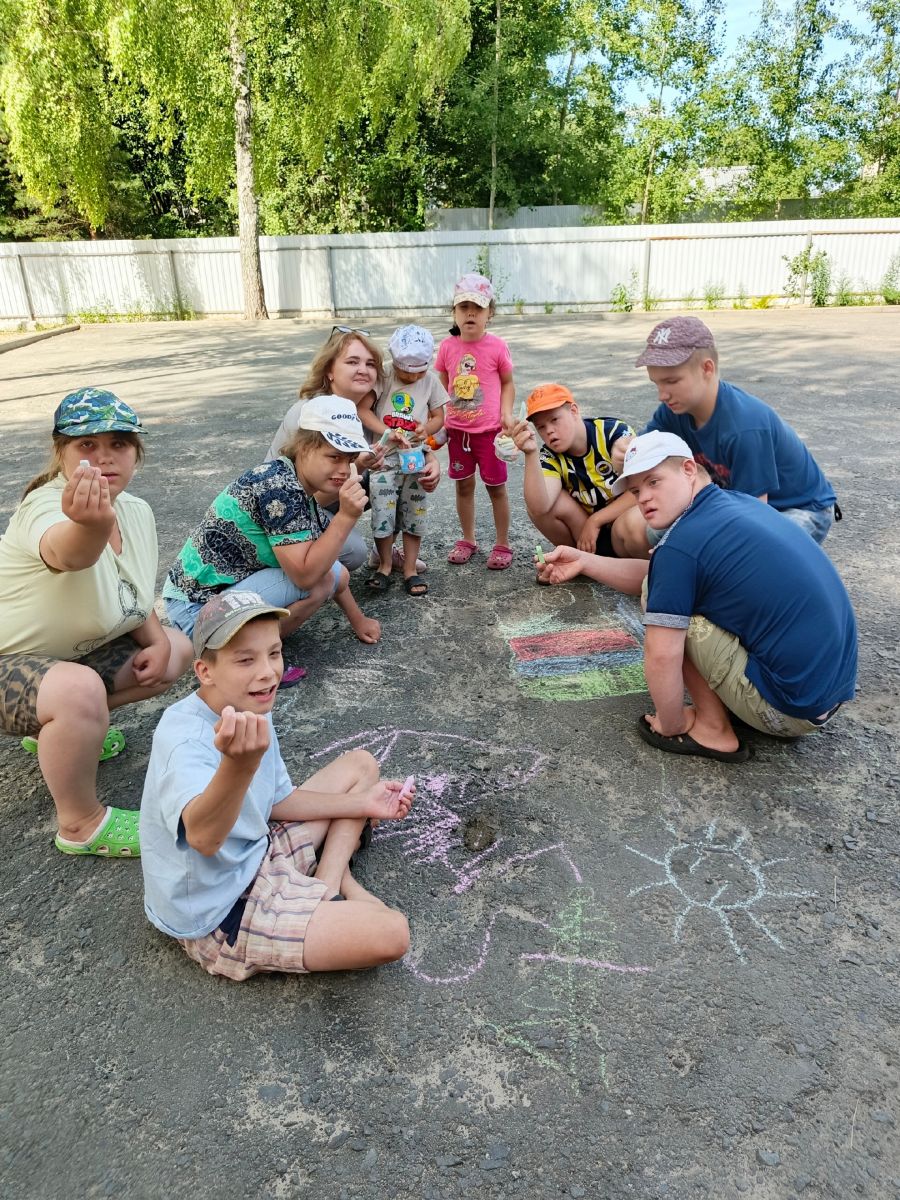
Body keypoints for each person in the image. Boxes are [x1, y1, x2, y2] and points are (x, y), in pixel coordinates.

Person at [140, 591, 412, 980]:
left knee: (362, 765)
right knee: (391, 932)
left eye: (274, 652)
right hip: (220, 909)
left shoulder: (249, 703)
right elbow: (203, 837)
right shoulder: (183, 739)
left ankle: (328, 882)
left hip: (257, 850)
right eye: (245, 660)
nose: (268, 672)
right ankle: (336, 885)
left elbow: (277, 801)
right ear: (205, 671)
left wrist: (364, 804)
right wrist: (239, 766)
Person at [539, 432, 857, 762]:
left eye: (654, 482)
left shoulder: (681, 545)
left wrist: (671, 722)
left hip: (788, 711)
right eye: (636, 491)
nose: (644, 498)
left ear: (689, 470)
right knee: (666, 588)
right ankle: (736, 706)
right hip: (825, 694)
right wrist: (585, 561)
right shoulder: (734, 502)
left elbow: (661, 652)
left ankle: (712, 729)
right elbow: (660, 575)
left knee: (664, 603)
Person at [0, 388, 193, 858]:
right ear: (60, 452)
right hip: (11, 662)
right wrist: (88, 525)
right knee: (78, 692)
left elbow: (131, 590)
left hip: (65, 658)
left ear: (136, 453)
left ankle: (63, 731)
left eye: (119, 444)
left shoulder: (137, 510)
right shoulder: (47, 506)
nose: (105, 457)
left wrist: (160, 646)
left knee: (177, 649)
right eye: (87, 445)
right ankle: (80, 823)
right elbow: (68, 554)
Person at [164, 395, 382, 652]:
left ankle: (251, 646)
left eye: (349, 459)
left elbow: (333, 570)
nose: (345, 469)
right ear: (303, 447)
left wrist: (358, 620)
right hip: (196, 611)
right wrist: (345, 517)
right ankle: (245, 653)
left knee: (334, 573)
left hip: (211, 598)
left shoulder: (291, 480)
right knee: (319, 580)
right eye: (334, 457)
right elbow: (305, 577)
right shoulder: (279, 489)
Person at [611, 317, 840, 557]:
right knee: (639, 530)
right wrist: (625, 451)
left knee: (746, 557)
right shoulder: (674, 411)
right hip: (730, 502)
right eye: (656, 383)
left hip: (795, 509)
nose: (662, 395)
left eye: (672, 381)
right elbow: (645, 458)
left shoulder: (746, 426)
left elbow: (753, 521)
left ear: (706, 369)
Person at [267, 328, 439, 574]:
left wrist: (431, 460)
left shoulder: (368, 411)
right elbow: (312, 497)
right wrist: (359, 466)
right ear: (329, 370)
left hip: (326, 497)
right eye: (352, 362)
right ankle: (288, 560)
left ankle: (383, 552)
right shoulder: (310, 414)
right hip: (291, 508)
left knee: (394, 476)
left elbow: (400, 443)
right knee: (353, 551)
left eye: (370, 364)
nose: (363, 369)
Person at [357, 325, 446, 596]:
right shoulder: (383, 377)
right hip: (384, 459)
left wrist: (425, 430)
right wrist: (387, 433)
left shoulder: (430, 380)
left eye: (419, 371)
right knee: (383, 514)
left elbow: (439, 417)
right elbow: (363, 410)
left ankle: (410, 568)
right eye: (406, 371)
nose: (413, 376)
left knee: (415, 513)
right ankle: (384, 565)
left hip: (414, 459)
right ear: (395, 363)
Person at [436, 273, 516, 569]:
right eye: (463, 306)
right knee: (463, 486)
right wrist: (442, 419)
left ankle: (502, 543)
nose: (470, 313)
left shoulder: (496, 346)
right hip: (458, 433)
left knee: (496, 487)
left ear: (490, 313)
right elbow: (445, 383)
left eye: (478, 307)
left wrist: (506, 413)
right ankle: (468, 539)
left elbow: (508, 383)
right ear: (454, 312)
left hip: (490, 433)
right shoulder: (447, 347)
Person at [511, 384, 634, 559]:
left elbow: (643, 489)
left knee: (637, 518)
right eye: (541, 427)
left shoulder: (613, 432)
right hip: (585, 536)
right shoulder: (550, 454)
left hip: (623, 528)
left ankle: (643, 569)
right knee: (542, 503)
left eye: (554, 420)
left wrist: (596, 520)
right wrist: (531, 453)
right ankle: (579, 559)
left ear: (574, 411)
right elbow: (539, 508)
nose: (549, 431)